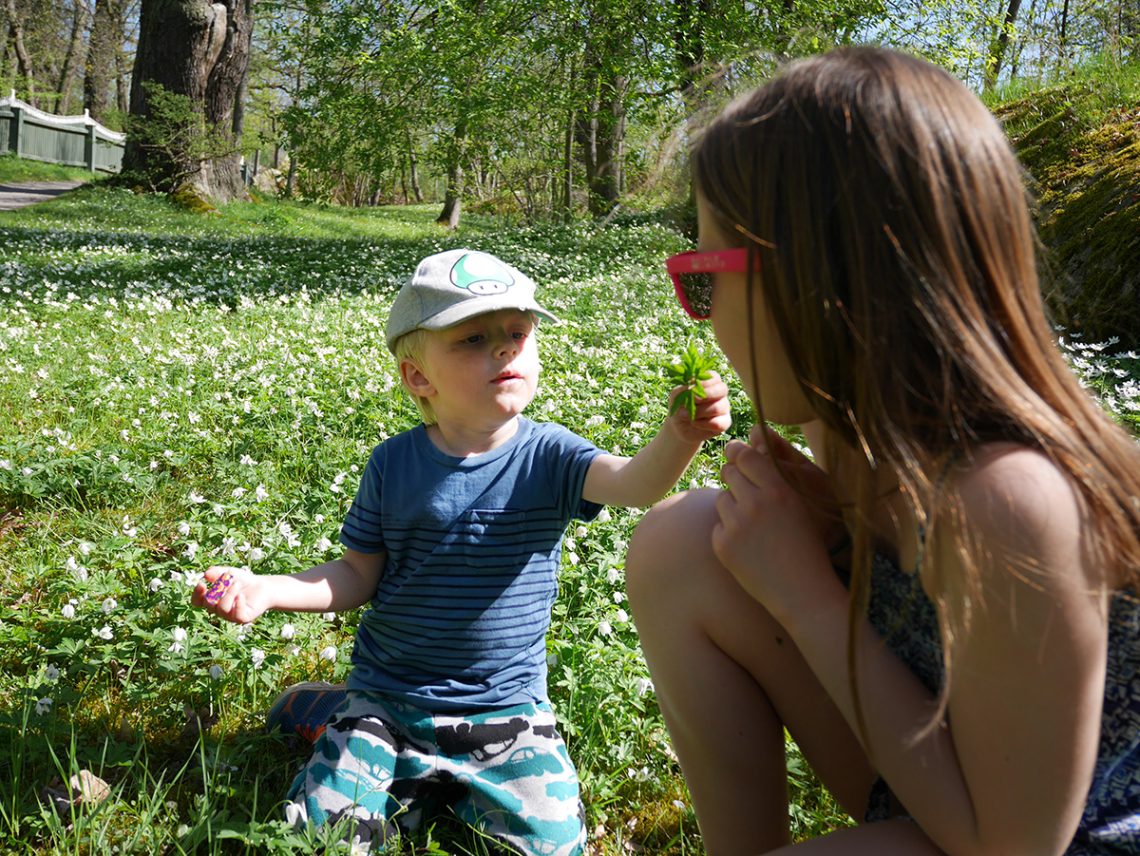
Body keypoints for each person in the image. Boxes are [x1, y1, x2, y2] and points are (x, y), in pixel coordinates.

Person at [626, 46, 1140, 855]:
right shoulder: (851, 441)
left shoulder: (1005, 499)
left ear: (819, 284)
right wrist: (834, 533)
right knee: (680, 547)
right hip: (943, 792)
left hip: (1057, 838)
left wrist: (805, 592)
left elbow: (1013, 846)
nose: (702, 312)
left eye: (703, 276)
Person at [192, 248, 731, 855]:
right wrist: (268, 589)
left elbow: (635, 484)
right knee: (323, 839)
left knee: (555, 848)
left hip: (507, 709)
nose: (504, 349)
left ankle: (347, 723)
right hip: (390, 699)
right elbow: (354, 575)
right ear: (419, 376)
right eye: (474, 339)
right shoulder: (393, 464)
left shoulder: (550, 455)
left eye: (518, 334)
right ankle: (337, 713)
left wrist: (679, 436)